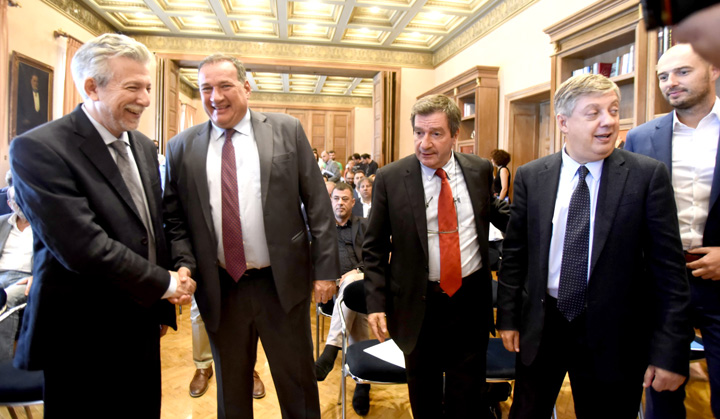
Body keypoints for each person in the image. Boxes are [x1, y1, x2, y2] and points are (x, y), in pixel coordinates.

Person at [9, 33, 196, 416]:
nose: (146, 99)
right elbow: (83, 247)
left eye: (148, 87)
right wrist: (165, 284)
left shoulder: (142, 145)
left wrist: (178, 269)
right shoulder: (39, 148)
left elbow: (152, 225)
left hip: (141, 322)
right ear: (92, 87)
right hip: (80, 335)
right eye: (133, 88)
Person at [496, 74, 692, 419]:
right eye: (593, 113)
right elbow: (515, 255)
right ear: (563, 123)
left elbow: (669, 273)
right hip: (543, 323)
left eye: (613, 110)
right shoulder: (532, 176)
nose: (609, 121)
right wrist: (509, 318)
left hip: (614, 333)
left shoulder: (646, 176)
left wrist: (670, 351)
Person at [163, 53, 339, 419]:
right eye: (206, 88)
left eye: (225, 86)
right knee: (232, 392)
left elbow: (318, 205)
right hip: (220, 287)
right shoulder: (181, 146)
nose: (215, 97)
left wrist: (325, 271)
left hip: (281, 284)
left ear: (246, 87)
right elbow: (174, 218)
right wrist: (183, 264)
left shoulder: (287, 130)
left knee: (298, 386)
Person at [363, 94, 510, 418]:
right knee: (425, 398)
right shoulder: (391, 178)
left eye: (436, 133)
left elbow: (496, 213)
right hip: (418, 306)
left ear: (455, 135)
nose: (424, 143)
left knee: (467, 400)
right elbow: (373, 247)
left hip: (469, 303)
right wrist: (375, 302)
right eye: (418, 132)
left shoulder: (479, 170)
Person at [626, 43, 720, 419]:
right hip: (660, 284)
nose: (671, 83)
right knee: (661, 392)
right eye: (663, 76)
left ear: (713, 70)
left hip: (718, 282)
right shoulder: (640, 138)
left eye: (682, 72)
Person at [315, 182, 372, 415]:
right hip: (331, 291)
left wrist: (356, 271)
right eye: (336, 198)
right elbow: (312, 258)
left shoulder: (364, 225)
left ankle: (331, 349)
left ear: (353, 202)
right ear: (331, 201)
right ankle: (363, 382)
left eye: (345, 199)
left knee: (352, 286)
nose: (340, 203)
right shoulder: (321, 229)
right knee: (357, 314)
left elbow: (375, 257)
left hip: (358, 282)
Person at [0, 171, 33, 362]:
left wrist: (39, 277)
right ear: (9, 203)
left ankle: (3, 367)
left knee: (5, 300)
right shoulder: (1, 223)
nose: (20, 203)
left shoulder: (45, 225)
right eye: (15, 201)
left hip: (25, 280)